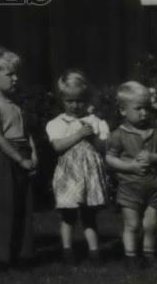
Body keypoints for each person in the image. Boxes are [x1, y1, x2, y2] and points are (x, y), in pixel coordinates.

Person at [0, 46, 38, 271]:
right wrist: (19, 159)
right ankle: (1, 258)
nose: (16, 78)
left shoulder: (15, 103)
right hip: (2, 157)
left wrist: (32, 154)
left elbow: (26, 132)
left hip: (21, 152)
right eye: (10, 74)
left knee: (24, 205)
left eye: (16, 74)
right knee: (4, 206)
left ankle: (24, 254)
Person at [45, 69, 109, 265]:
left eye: (79, 100)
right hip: (69, 174)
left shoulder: (95, 122)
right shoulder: (56, 123)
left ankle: (94, 252)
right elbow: (57, 146)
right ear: (62, 100)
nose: (75, 105)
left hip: (89, 174)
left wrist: (94, 138)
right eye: (69, 101)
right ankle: (67, 251)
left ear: (86, 99)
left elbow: (103, 147)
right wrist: (79, 134)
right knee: (68, 215)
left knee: (89, 216)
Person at [105, 81, 157, 267]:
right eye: (138, 108)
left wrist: (153, 157)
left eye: (147, 108)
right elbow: (110, 158)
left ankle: (150, 255)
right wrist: (130, 167)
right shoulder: (119, 134)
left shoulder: (155, 133)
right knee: (132, 225)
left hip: (153, 187)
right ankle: (131, 257)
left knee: (151, 225)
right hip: (130, 188)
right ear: (123, 111)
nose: (144, 113)